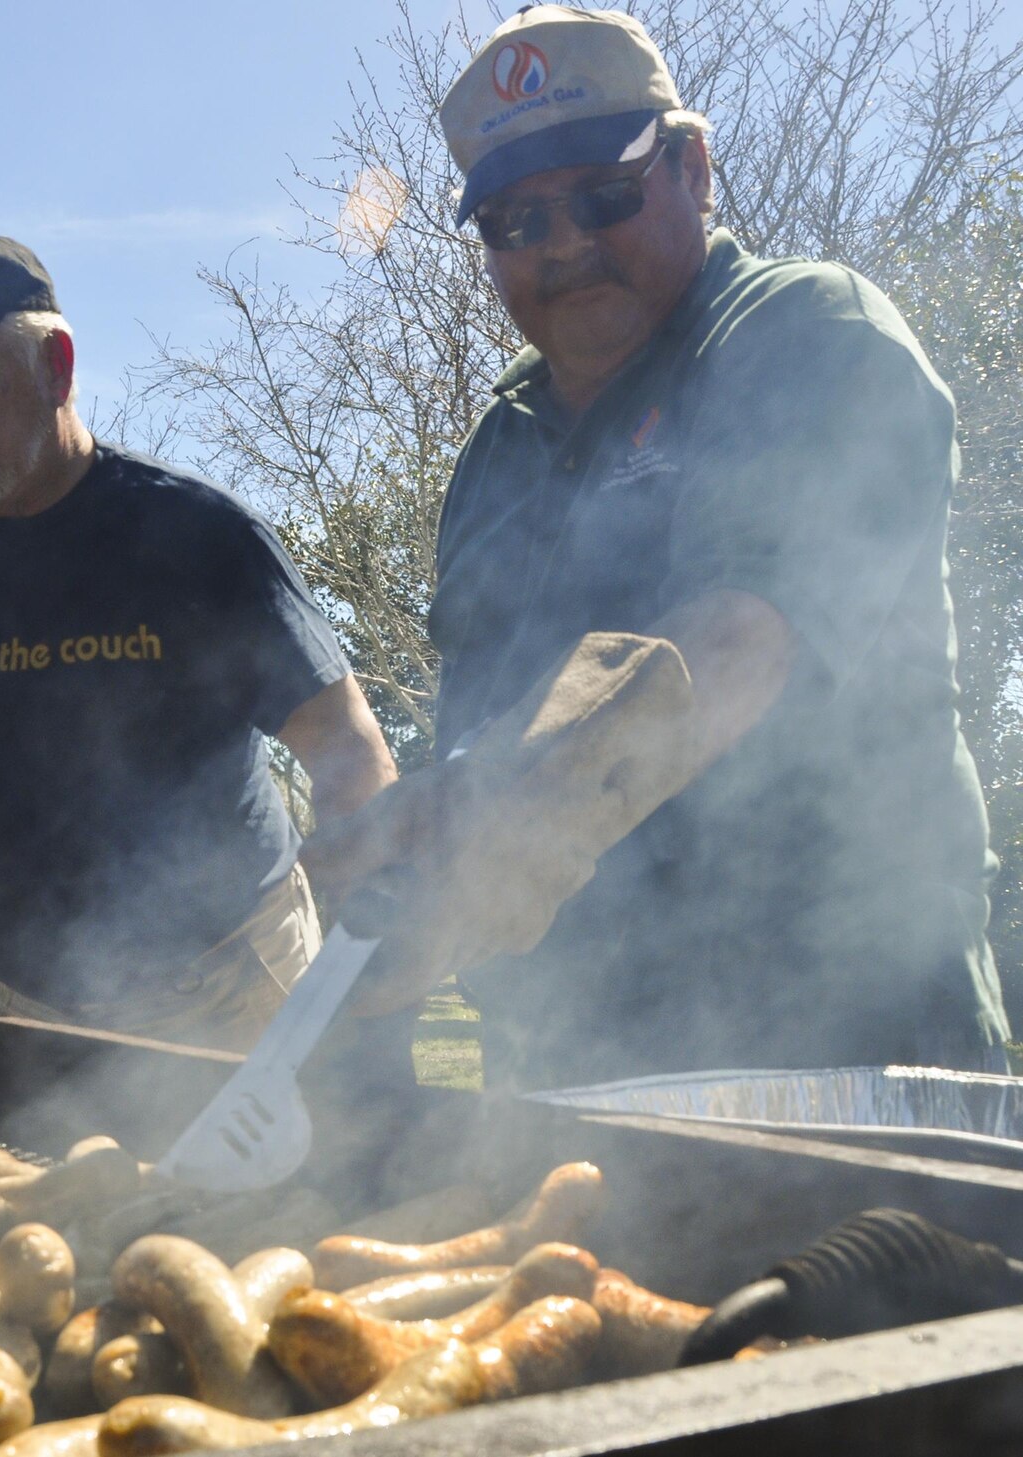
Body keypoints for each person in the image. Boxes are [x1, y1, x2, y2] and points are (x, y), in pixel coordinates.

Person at [319, 5, 1011, 1090]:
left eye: (601, 195)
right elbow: (469, 737)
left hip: (844, 1051)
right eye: (512, 221)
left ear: (691, 168)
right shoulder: (493, 453)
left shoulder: (807, 332)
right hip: (561, 1073)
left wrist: (504, 793)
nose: (561, 245)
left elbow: (732, 642)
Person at [0, 227, 399, 1053]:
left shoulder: (197, 540)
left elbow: (349, 751)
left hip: (227, 984)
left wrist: (365, 950)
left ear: (57, 367)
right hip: (17, 991)